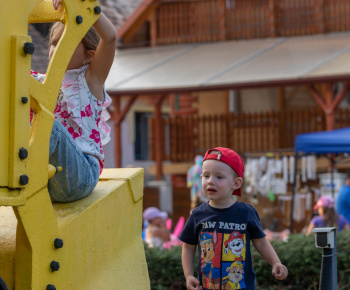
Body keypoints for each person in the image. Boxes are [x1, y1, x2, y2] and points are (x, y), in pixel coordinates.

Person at [30, 0, 117, 202]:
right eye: (53, 42)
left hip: (80, 175)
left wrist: (84, 6)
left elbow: (110, 37)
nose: (55, 49)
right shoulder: (41, 82)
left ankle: (21, 168)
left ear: (89, 56)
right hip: (47, 181)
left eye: (64, 42)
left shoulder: (90, 80)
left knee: (46, 125)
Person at [179, 147, 288, 290]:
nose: (211, 181)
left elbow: (261, 243)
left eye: (219, 177)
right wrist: (188, 275)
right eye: (206, 176)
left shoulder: (246, 212)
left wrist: (276, 262)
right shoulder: (197, 215)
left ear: (236, 183)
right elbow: (188, 247)